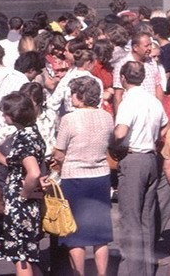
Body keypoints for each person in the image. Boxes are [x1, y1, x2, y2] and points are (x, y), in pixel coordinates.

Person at [53, 76, 114, 276]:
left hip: (74, 178)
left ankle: (79, 273)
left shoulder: (69, 119)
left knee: (75, 233)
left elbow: (59, 151)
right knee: (100, 232)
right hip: (100, 176)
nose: (70, 97)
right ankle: (102, 273)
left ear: (80, 95)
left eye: (72, 93)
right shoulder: (106, 117)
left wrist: (58, 161)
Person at [113, 61, 168, 276]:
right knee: (147, 217)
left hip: (133, 156)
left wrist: (114, 144)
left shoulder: (129, 101)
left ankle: (134, 271)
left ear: (124, 79)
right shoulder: (153, 101)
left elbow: (120, 132)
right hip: (150, 158)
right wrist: (154, 140)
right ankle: (146, 269)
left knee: (130, 218)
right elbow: (165, 125)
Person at [0, 92, 46, 275]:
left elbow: (33, 172)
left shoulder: (24, 137)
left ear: (13, 116)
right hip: (30, 204)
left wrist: (23, 195)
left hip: (20, 204)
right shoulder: (33, 133)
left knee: (20, 257)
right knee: (29, 255)